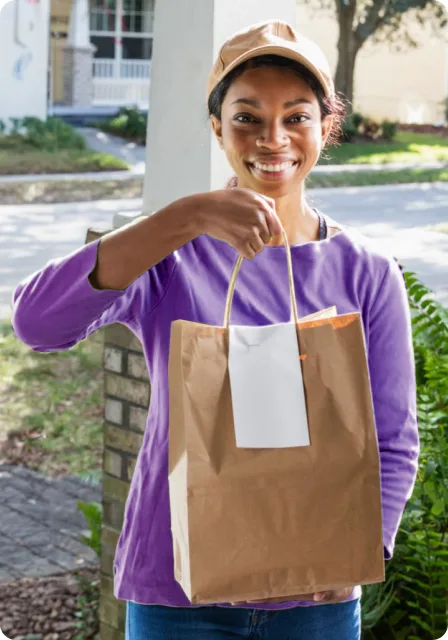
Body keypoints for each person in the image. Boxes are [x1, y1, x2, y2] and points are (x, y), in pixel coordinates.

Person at [11, 20, 419, 640]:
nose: (273, 138)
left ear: (326, 127)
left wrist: (368, 547)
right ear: (218, 128)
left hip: (316, 596)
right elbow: (37, 324)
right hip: (174, 592)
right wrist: (184, 216)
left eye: (297, 117)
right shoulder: (171, 257)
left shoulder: (366, 274)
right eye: (248, 117)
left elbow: (393, 438)